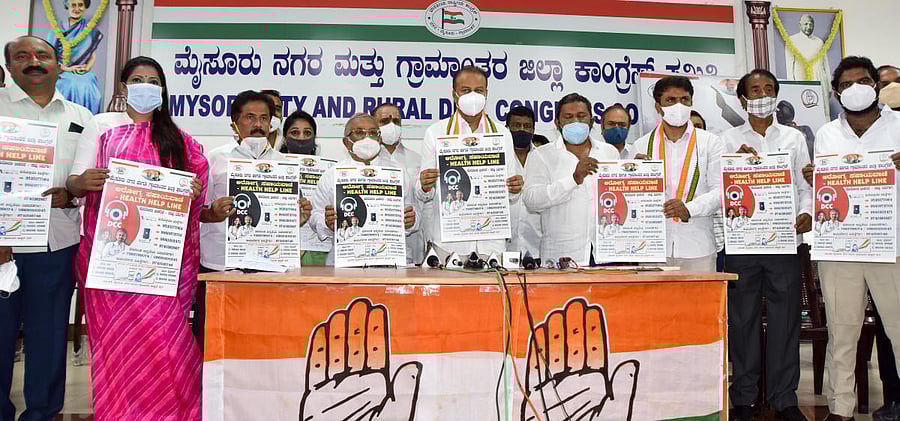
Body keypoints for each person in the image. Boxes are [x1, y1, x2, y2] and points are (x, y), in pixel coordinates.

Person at [66, 55, 208, 420]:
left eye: (154, 80)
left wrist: (192, 190)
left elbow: (196, 192)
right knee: (115, 345)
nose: (146, 85)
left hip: (161, 264)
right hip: (109, 261)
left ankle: (177, 412)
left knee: (167, 342)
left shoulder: (179, 140)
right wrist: (83, 182)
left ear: (162, 90)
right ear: (124, 87)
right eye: (139, 78)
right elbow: (74, 182)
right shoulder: (101, 126)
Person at [802, 56, 900, 421]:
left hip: (892, 244)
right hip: (840, 246)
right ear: (836, 93)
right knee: (842, 333)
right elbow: (825, 192)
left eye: (862, 81)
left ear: (876, 85)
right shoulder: (827, 133)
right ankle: (840, 409)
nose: (855, 89)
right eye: (846, 85)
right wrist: (813, 177)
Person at [0, 35, 92, 421]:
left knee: (48, 335)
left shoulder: (83, 117)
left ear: (58, 65)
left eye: (42, 56)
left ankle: (41, 413)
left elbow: (89, 180)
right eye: (22, 57)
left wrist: (72, 195)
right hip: (2, 245)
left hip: (56, 241)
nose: (33, 62)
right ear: (9, 67)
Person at [719, 68, 813, 421]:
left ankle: (784, 397)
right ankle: (743, 397)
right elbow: (720, 190)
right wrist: (736, 166)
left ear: (776, 95)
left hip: (786, 242)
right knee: (741, 320)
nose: (762, 95)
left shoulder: (794, 138)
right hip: (741, 244)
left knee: (785, 319)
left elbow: (806, 187)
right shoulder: (726, 141)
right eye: (754, 90)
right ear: (743, 99)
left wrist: (806, 213)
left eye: (768, 89)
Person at [198, 90, 311, 272]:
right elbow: (196, 211)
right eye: (250, 117)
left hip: (269, 263)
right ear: (234, 124)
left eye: (264, 118)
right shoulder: (214, 159)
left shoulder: (284, 164)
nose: (258, 124)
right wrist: (212, 214)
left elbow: (287, 214)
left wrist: (297, 217)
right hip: (219, 263)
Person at [416, 65, 523, 258]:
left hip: (491, 244)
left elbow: (510, 196)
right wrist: (424, 185)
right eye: (466, 90)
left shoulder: (502, 134)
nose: (472, 95)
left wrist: (515, 189)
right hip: (448, 244)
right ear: (454, 94)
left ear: (486, 93)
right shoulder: (436, 133)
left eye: (478, 90)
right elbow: (425, 194)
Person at [632, 76, 723, 272]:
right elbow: (631, 199)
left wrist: (690, 209)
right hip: (652, 246)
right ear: (658, 106)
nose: (678, 106)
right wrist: (635, 179)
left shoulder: (711, 142)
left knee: (701, 303)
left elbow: (721, 191)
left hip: (698, 246)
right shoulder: (641, 146)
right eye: (670, 101)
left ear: (691, 103)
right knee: (651, 303)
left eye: (684, 100)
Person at [523, 93, 619, 265]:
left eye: (581, 116)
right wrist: (573, 180)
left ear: (592, 120)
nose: (576, 122)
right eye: (568, 117)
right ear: (557, 123)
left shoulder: (609, 152)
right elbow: (532, 201)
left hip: (607, 251)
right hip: (563, 254)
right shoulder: (542, 155)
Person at [310, 113, 419, 265]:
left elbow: (415, 212)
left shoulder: (397, 172)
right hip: (347, 261)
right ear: (346, 142)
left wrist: (411, 221)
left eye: (373, 133)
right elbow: (315, 216)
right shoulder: (332, 175)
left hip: (391, 260)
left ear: (379, 139)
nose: (367, 138)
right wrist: (326, 223)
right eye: (360, 133)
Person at [373, 102, 426, 264]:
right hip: (371, 241)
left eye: (396, 121)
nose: (391, 125)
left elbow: (425, 200)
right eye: (384, 121)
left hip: (411, 241)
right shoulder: (365, 161)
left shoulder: (418, 160)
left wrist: (413, 219)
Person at [47, 0, 104, 114]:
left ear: (85, 7)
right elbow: (49, 58)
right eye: (73, 5)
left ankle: (86, 121)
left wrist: (87, 68)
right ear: (67, 6)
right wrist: (68, 69)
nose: (77, 8)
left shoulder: (90, 30)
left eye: (80, 5)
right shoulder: (57, 28)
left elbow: (92, 53)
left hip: (82, 73)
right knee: (72, 84)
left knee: (90, 86)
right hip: (61, 72)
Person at [505, 106, 542, 255]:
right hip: (502, 249)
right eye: (516, 125)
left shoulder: (543, 158)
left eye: (527, 126)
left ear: (533, 130)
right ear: (507, 128)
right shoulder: (497, 158)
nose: (522, 130)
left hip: (536, 248)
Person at [785, 14, 832, 100]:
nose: (808, 27)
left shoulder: (819, 41)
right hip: (800, 79)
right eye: (806, 24)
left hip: (819, 79)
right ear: (800, 25)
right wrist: (792, 86)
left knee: (822, 109)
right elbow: (789, 65)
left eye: (811, 24)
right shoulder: (792, 40)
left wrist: (829, 85)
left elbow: (825, 64)